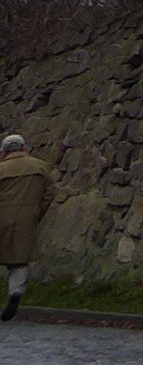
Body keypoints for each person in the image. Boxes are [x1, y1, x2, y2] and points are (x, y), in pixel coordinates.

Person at [0, 134, 51, 321]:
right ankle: (15, 293)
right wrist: (36, 213)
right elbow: (48, 194)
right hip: (27, 217)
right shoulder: (40, 166)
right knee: (19, 260)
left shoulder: (1, 168)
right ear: (24, 148)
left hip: (2, 215)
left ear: (4, 151)